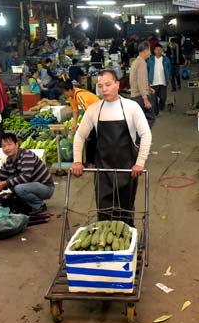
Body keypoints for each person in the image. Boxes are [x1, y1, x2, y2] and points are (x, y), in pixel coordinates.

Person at [72, 70, 152, 224]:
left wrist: (140, 163)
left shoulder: (131, 107)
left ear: (117, 84)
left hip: (127, 169)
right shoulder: (94, 110)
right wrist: (77, 161)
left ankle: (128, 235)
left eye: (108, 85)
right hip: (103, 171)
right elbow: (80, 135)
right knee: (104, 212)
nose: (104, 89)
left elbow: (146, 134)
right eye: (100, 86)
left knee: (125, 210)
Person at [0, 133, 54, 215]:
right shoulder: (9, 161)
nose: (7, 148)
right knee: (10, 179)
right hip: (32, 186)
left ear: (16, 145)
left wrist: (5, 183)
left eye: (9, 145)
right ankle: (28, 203)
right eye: (4, 146)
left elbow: (25, 177)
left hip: (45, 187)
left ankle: (39, 205)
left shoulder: (27, 155)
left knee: (18, 187)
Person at [128, 41, 156, 128]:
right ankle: (141, 135)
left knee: (139, 120)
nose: (150, 53)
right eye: (149, 50)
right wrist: (145, 99)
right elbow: (141, 81)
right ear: (145, 51)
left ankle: (139, 135)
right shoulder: (142, 63)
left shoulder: (136, 62)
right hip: (140, 97)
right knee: (150, 119)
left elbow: (138, 80)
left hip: (135, 96)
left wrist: (148, 88)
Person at [147, 44, 172, 116]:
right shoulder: (150, 60)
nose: (158, 51)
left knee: (163, 97)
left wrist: (168, 76)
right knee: (153, 99)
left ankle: (161, 106)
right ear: (154, 51)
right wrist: (148, 79)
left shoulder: (166, 59)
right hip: (153, 82)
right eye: (157, 49)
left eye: (160, 49)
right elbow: (147, 69)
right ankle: (156, 112)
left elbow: (169, 68)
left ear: (162, 50)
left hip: (163, 82)